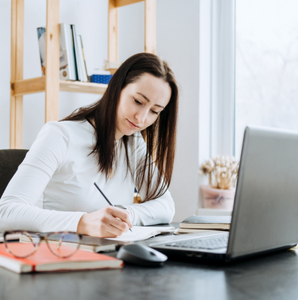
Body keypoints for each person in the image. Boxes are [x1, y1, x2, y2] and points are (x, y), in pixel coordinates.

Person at [0, 53, 178, 238]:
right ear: (116, 88)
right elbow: (6, 212)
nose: (141, 118)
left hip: (109, 254)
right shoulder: (60, 135)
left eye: (154, 111)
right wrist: (82, 222)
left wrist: (123, 214)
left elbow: (166, 205)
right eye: (138, 101)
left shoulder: (133, 143)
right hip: (57, 252)